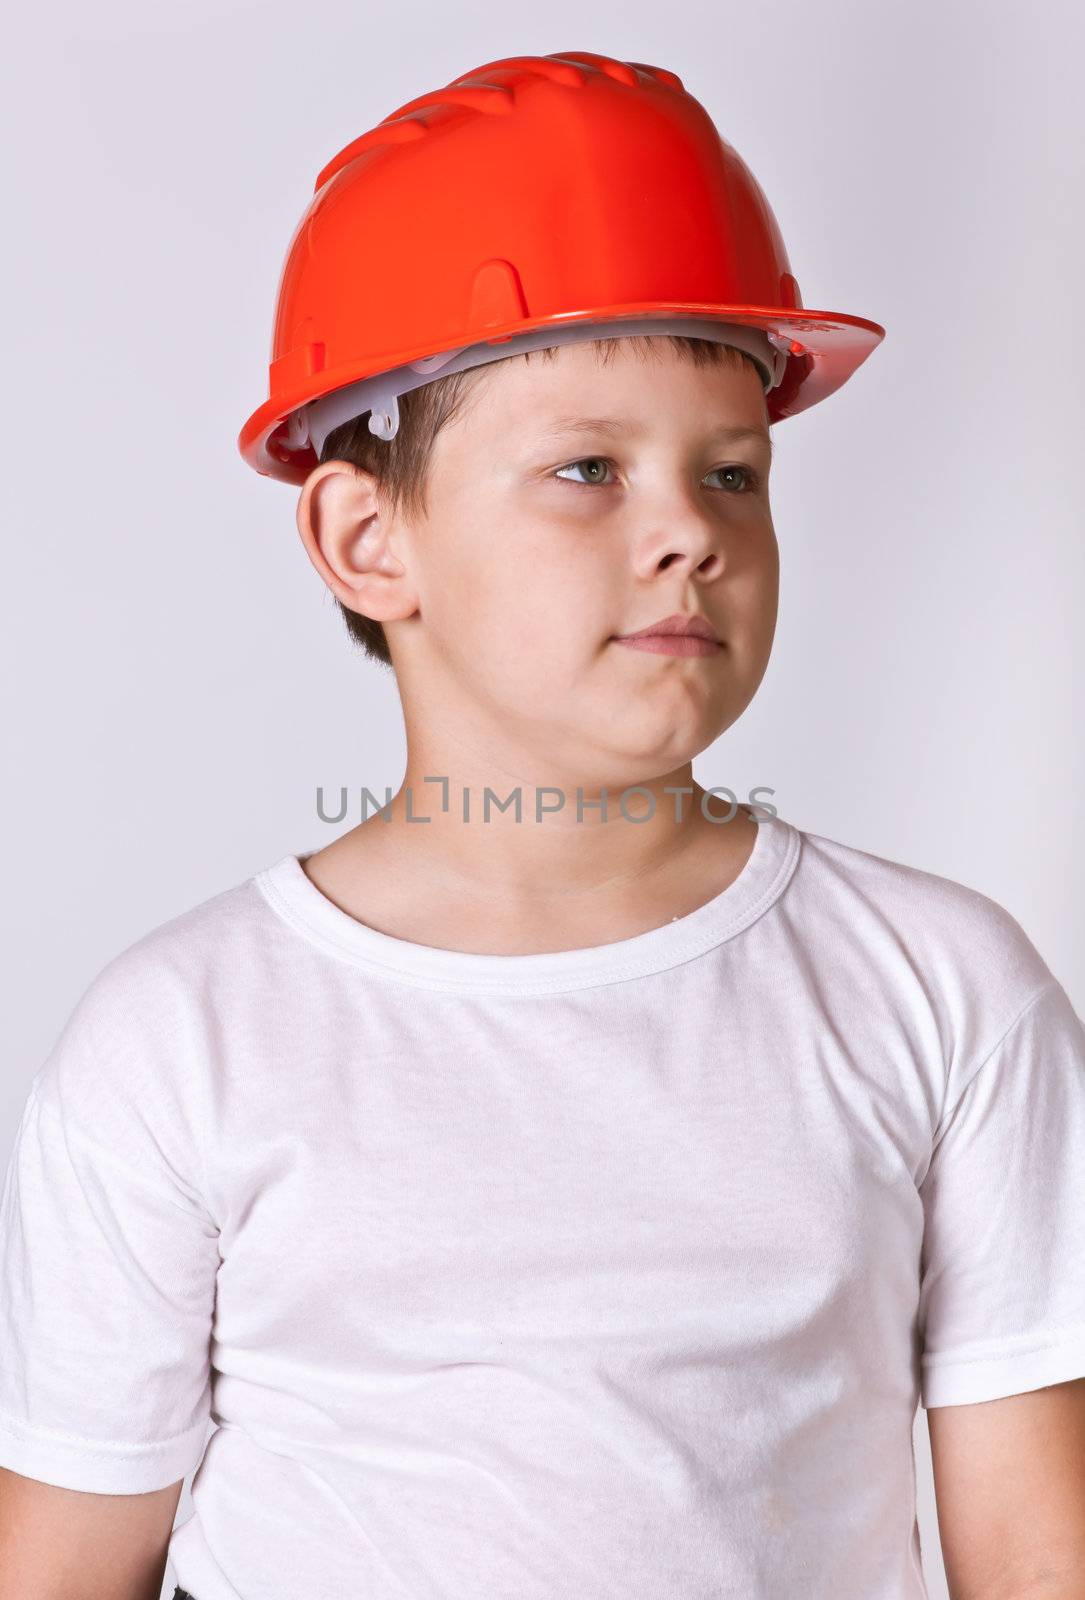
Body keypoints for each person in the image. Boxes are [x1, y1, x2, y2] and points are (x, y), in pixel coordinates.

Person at [1, 47, 1083, 1600]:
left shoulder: (940, 989)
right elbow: (61, 1565)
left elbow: (1037, 1559)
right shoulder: (181, 1042)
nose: (689, 536)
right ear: (368, 537)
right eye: (586, 469)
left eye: (732, 472)